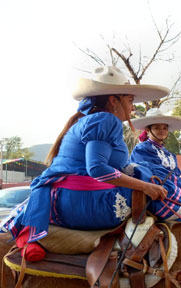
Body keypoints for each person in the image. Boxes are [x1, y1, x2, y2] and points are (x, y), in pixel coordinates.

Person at [2, 66, 170, 261]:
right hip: (81, 202)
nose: (133, 108)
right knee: (160, 188)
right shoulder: (106, 119)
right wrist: (146, 186)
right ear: (113, 100)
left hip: (65, 199)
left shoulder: (88, 120)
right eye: (130, 100)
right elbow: (97, 169)